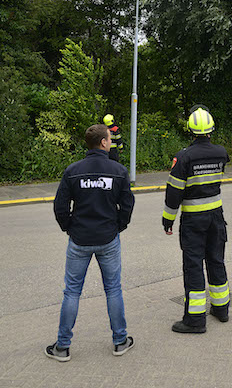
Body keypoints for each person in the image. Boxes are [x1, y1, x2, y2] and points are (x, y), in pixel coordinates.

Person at [45, 124, 135, 361]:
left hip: (80, 239)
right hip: (108, 238)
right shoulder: (118, 170)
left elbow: (60, 207)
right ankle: (119, 341)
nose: (111, 141)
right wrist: (118, 226)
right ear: (104, 143)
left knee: (72, 292)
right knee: (113, 289)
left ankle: (62, 347)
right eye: (110, 139)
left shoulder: (73, 170)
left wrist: (69, 228)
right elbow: (127, 205)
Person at [162, 105, 230, 333]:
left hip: (193, 220)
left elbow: (174, 193)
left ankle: (195, 319)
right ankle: (221, 309)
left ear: (190, 130)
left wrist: (167, 220)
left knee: (193, 266)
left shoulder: (183, 158)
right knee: (216, 260)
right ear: (211, 129)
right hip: (217, 218)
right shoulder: (221, 152)